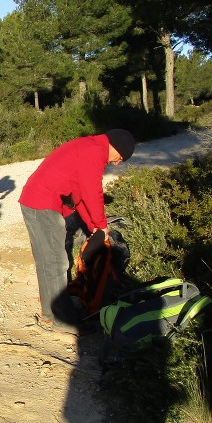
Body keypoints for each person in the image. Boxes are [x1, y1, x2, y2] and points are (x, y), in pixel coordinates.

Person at [18, 129, 136, 333]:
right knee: (56, 261)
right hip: (43, 204)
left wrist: (95, 227)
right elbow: (92, 190)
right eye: (120, 158)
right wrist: (102, 223)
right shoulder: (94, 152)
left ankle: (50, 313)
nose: (116, 163)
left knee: (48, 260)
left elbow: (79, 197)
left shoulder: (90, 147)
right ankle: (62, 319)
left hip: (36, 202)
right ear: (116, 148)